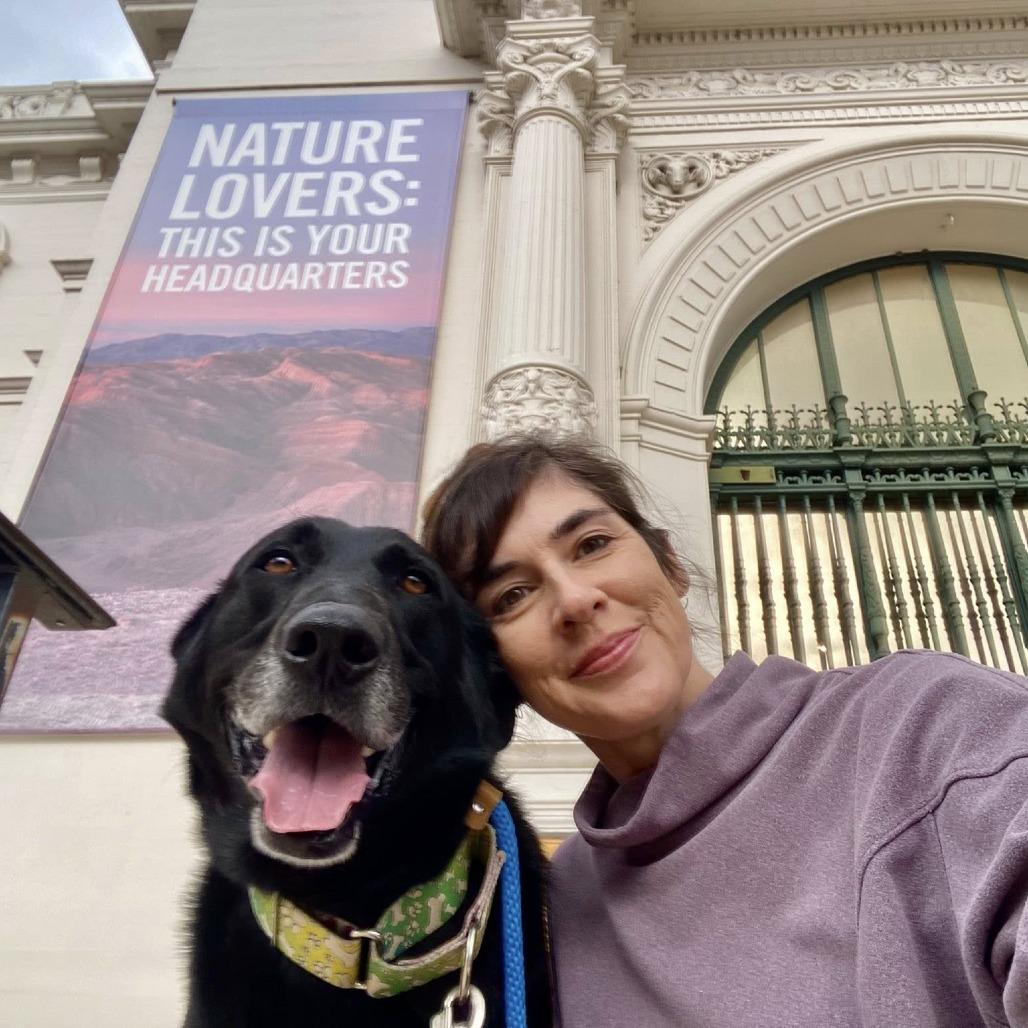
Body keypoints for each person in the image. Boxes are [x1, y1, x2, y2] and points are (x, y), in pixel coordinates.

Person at [421, 432, 1028, 1027]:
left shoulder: (930, 730)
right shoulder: (552, 903)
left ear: (670, 563)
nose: (577, 600)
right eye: (513, 595)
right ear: (489, 668)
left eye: (592, 544)